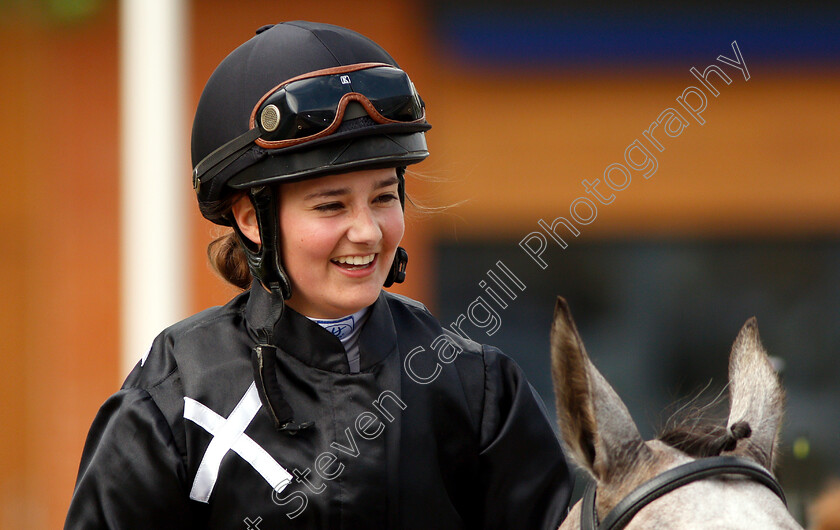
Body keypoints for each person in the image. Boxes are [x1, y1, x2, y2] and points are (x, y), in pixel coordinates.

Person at [65, 21, 572, 529]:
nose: (368, 231)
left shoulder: (476, 388)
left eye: (383, 197)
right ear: (249, 218)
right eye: (331, 206)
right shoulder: (175, 400)